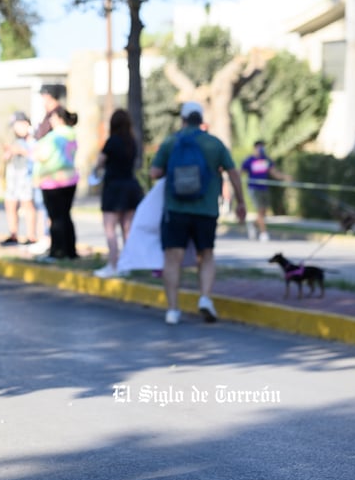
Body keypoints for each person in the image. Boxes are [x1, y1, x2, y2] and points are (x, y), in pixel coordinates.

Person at [149, 102, 246, 325]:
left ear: (182, 119)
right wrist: (240, 202)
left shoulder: (171, 142)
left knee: (173, 258)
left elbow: (154, 172)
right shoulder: (214, 144)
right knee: (206, 254)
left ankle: (173, 309)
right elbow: (233, 173)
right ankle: (204, 298)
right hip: (206, 210)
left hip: (176, 209)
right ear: (201, 119)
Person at [93, 108, 145, 278]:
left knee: (110, 229)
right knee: (127, 229)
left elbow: (100, 163)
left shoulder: (112, 141)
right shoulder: (132, 142)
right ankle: (127, 264)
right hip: (131, 187)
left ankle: (112, 264)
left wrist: (95, 172)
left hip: (114, 188)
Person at [32, 105, 80, 261]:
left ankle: (57, 252)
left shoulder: (53, 137)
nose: (50, 121)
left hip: (52, 181)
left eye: (52, 118)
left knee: (55, 218)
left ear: (59, 118)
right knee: (65, 216)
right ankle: (70, 251)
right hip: (70, 179)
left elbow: (42, 155)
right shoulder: (72, 134)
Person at [240, 140, 291, 242]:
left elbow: (274, 173)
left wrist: (285, 177)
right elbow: (240, 172)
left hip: (264, 188)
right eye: (260, 147)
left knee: (263, 212)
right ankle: (263, 233)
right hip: (254, 188)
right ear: (255, 148)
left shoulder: (266, 160)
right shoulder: (249, 160)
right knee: (260, 210)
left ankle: (253, 225)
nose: (262, 149)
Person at [0, 111, 37, 246]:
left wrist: (21, 151)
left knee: (27, 203)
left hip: (26, 174)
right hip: (13, 173)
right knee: (10, 203)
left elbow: (36, 157)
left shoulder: (33, 140)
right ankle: (13, 234)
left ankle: (31, 236)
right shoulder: (15, 140)